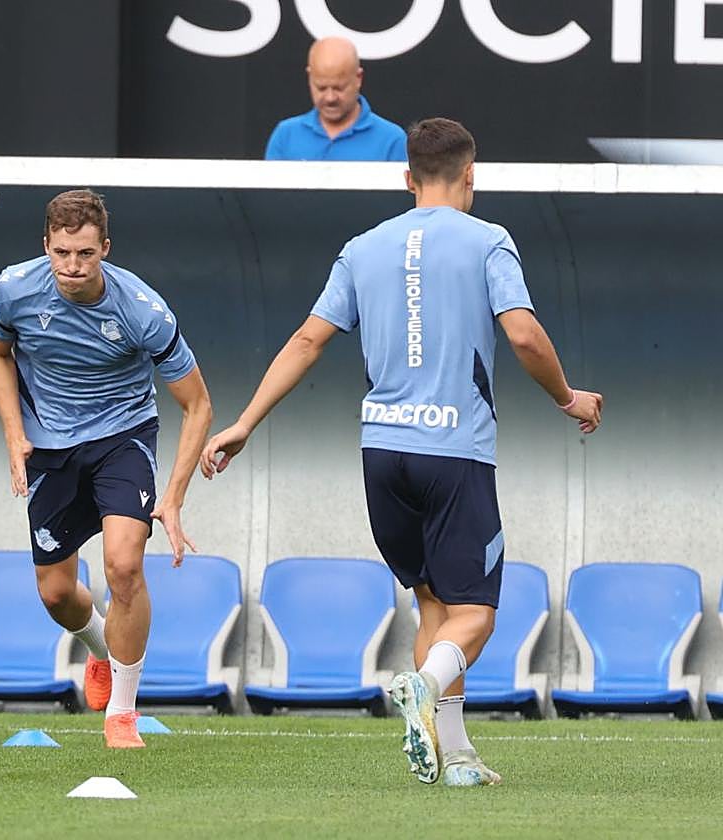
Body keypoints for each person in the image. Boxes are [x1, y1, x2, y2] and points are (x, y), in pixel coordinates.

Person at [203, 118, 602, 786]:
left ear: (406, 177)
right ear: (471, 175)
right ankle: (422, 686)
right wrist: (567, 398)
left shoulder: (363, 248)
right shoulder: (487, 241)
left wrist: (245, 422)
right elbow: (525, 335)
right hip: (454, 452)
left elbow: (307, 340)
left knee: (434, 608)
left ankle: (457, 759)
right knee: (475, 613)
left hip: (382, 454)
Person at [0, 190, 212, 748]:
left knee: (124, 566)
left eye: (85, 254)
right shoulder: (13, 289)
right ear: (46, 246)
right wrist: (14, 434)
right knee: (56, 593)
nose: (72, 266)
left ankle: (123, 715)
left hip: (123, 437)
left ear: (105, 249)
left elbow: (198, 404)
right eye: (61, 252)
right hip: (49, 447)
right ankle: (101, 650)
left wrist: (174, 496)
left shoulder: (142, 311)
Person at [264, 37, 404, 162]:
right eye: (321, 88)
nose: (330, 98)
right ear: (309, 76)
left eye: (339, 88)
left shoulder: (392, 141)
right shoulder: (285, 136)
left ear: (358, 78)